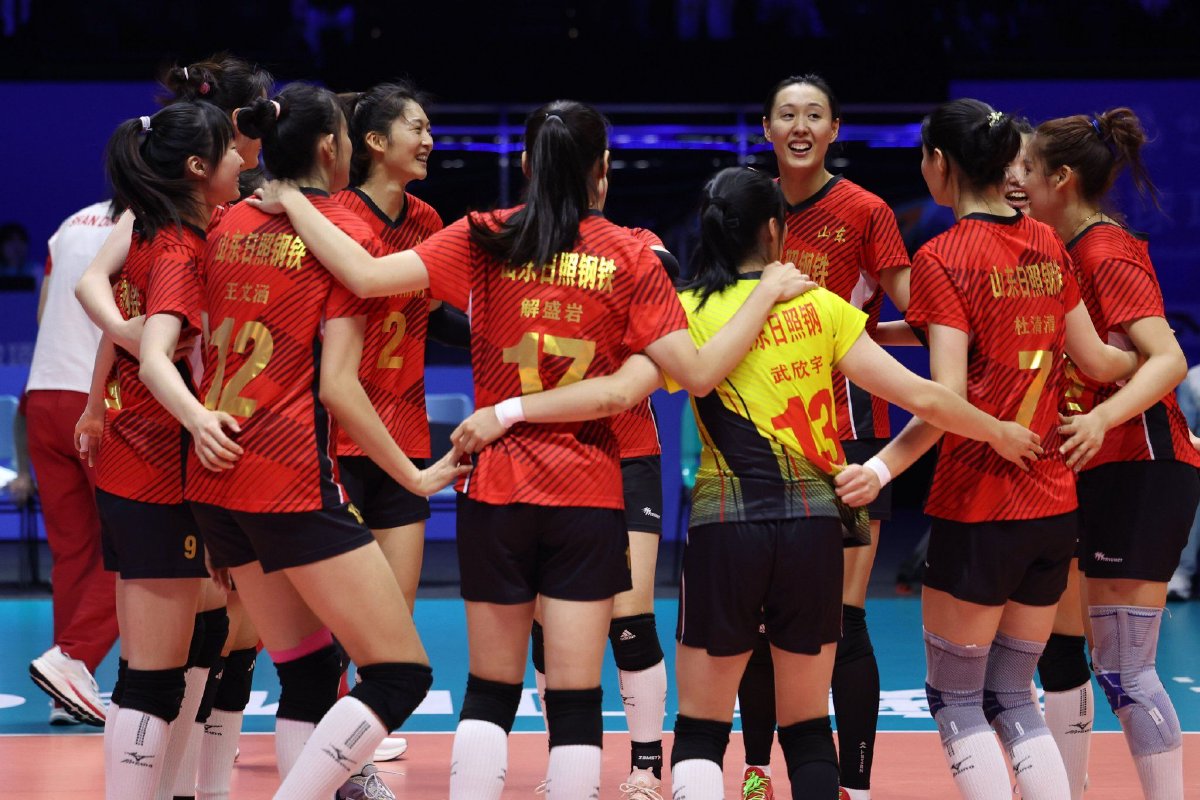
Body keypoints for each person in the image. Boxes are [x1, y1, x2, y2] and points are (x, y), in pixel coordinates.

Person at [250, 98, 818, 798]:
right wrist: (763, 294)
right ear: (602, 170)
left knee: (489, 691)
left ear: (524, 164)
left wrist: (292, 200)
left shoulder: (483, 235)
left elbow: (364, 276)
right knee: (575, 700)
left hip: (495, 491)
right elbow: (695, 375)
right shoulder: (631, 255)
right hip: (588, 494)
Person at [449, 165, 1041, 800]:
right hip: (815, 529)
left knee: (701, 731)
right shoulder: (820, 306)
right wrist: (997, 432)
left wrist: (508, 411)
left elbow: (616, 394)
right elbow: (927, 397)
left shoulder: (684, 313)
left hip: (725, 529)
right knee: (808, 731)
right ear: (774, 232)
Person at [139, 83, 464, 800]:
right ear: (332, 146)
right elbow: (339, 388)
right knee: (400, 674)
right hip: (289, 475)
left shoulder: (225, 223)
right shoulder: (343, 234)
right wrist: (414, 476)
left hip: (217, 478)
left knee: (310, 670)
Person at [834, 99, 1154, 800]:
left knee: (956, 698)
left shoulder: (943, 256)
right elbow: (1097, 360)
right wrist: (1153, 358)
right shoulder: (1046, 243)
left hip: (979, 504)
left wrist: (880, 467)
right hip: (1052, 509)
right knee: (1012, 692)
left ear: (939, 164)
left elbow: (944, 400)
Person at [73, 53, 275, 800]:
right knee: (154, 675)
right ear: (200, 162)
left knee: (197, 643)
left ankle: (184, 791)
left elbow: (127, 319)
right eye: (233, 146)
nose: (244, 158)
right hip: (156, 459)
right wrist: (195, 415)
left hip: (164, 461)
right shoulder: (178, 247)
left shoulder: (181, 223)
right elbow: (154, 351)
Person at [738, 74, 912, 800]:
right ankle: (755, 776)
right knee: (758, 621)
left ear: (835, 129)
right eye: (787, 114)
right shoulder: (744, 204)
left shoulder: (866, 211)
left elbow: (924, 317)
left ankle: (856, 786)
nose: (801, 125)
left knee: (845, 620)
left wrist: (860, 338)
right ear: (767, 128)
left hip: (850, 443)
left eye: (815, 114)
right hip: (760, 441)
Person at [1022, 106, 1198, 799]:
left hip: (1141, 468)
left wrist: (1101, 417)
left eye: (1029, 170)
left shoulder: (1105, 251)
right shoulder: (1056, 252)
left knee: (1126, 670)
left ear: (1062, 178)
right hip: (1090, 471)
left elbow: (1168, 359)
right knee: (1068, 651)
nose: (1017, 181)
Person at [331, 80, 442, 779]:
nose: (429, 140)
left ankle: (354, 753)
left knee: (392, 617)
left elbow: (447, 306)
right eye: (416, 128)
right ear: (375, 142)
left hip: (406, 437)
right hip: (337, 437)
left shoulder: (428, 220)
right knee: (327, 620)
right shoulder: (335, 217)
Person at [25, 200, 120, 727]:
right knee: (137, 544)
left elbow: (45, 314)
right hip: (98, 402)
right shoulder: (154, 220)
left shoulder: (69, 224)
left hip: (42, 394)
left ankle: (65, 693)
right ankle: (74, 659)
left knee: (73, 554)